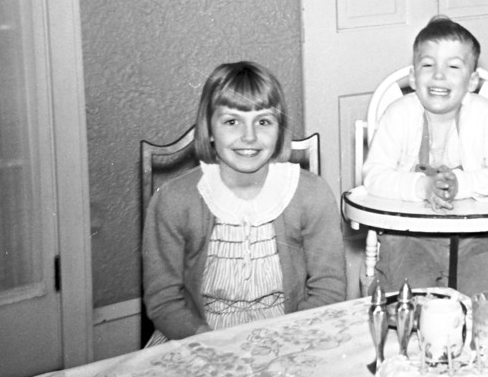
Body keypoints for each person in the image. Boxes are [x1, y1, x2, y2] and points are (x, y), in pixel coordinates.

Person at [143, 61, 346, 343]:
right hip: (197, 336)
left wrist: (285, 338)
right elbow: (163, 299)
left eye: (263, 122)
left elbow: (329, 289)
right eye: (231, 121)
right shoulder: (174, 200)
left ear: (279, 129)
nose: (249, 136)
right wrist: (206, 339)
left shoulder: (311, 193)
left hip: (290, 331)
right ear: (209, 129)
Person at [363, 15, 488, 296]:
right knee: (410, 289)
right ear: (413, 76)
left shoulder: (486, 116)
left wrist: (462, 184)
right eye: (428, 65)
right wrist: (422, 187)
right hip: (407, 236)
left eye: (453, 66)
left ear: (472, 80)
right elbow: (374, 176)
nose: (439, 75)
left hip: (475, 236)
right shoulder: (398, 116)